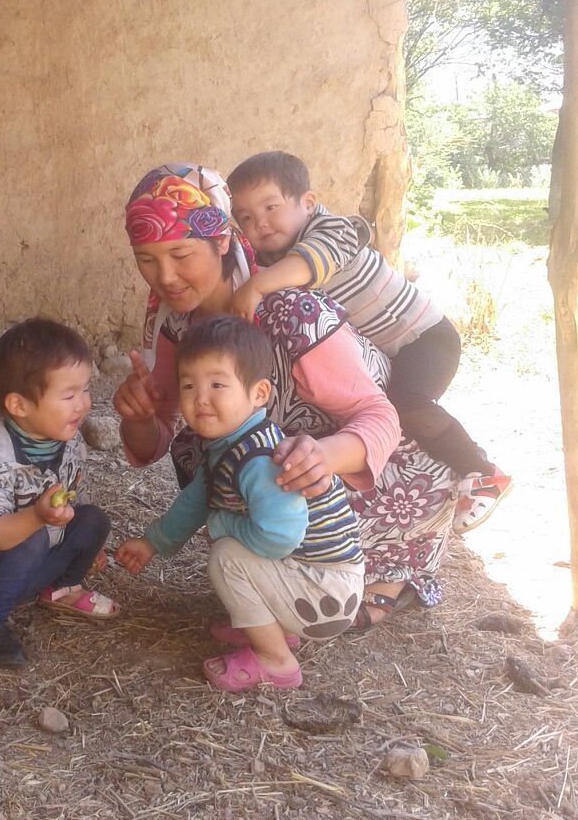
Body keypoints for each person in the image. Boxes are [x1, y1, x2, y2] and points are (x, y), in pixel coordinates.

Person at [114, 162, 457, 632]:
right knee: (201, 446)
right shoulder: (179, 326)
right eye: (147, 260)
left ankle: (382, 571)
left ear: (221, 242)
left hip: (372, 473)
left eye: (180, 254)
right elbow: (158, 439)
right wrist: (139, 416)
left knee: (247, 459)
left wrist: (323, 455)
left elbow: (380, 416)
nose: (165, 276)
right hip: (282, 480)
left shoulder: (292, 313)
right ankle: (276, 572)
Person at [225, 151, 510, 533]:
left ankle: (483, 472)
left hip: (425, 337)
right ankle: (440, 480)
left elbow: (308, 266)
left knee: (407, 405)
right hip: (389, 349)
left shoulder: (333, 230)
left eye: (270, 207)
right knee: (388, 418)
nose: (259, 222)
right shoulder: (272, 256)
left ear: (307, 202)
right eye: (245, 217)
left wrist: (254, 287)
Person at [116, 315, 364, 692]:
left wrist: (223, 526)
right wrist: (152, 542)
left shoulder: (258, 459)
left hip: (326, 592)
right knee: (230, 545)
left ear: (259, 393)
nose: (200, 398)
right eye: (188, 385)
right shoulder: (229, 446)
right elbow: (196, 501)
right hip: (313, 581)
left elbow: (279, 537)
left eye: (217, 384)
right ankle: (269, 624)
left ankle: (276, 660)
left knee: (227, 554)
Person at [0, 318, 119, 669]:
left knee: (93, 521)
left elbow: (67, 498)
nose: (83, 404)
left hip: (34, 558)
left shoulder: (69, 442)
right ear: (19, 405)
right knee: (31, 537)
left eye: (85, 390)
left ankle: (61, 588)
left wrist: (77, 545)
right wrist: (37, 517)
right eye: (68, 395)